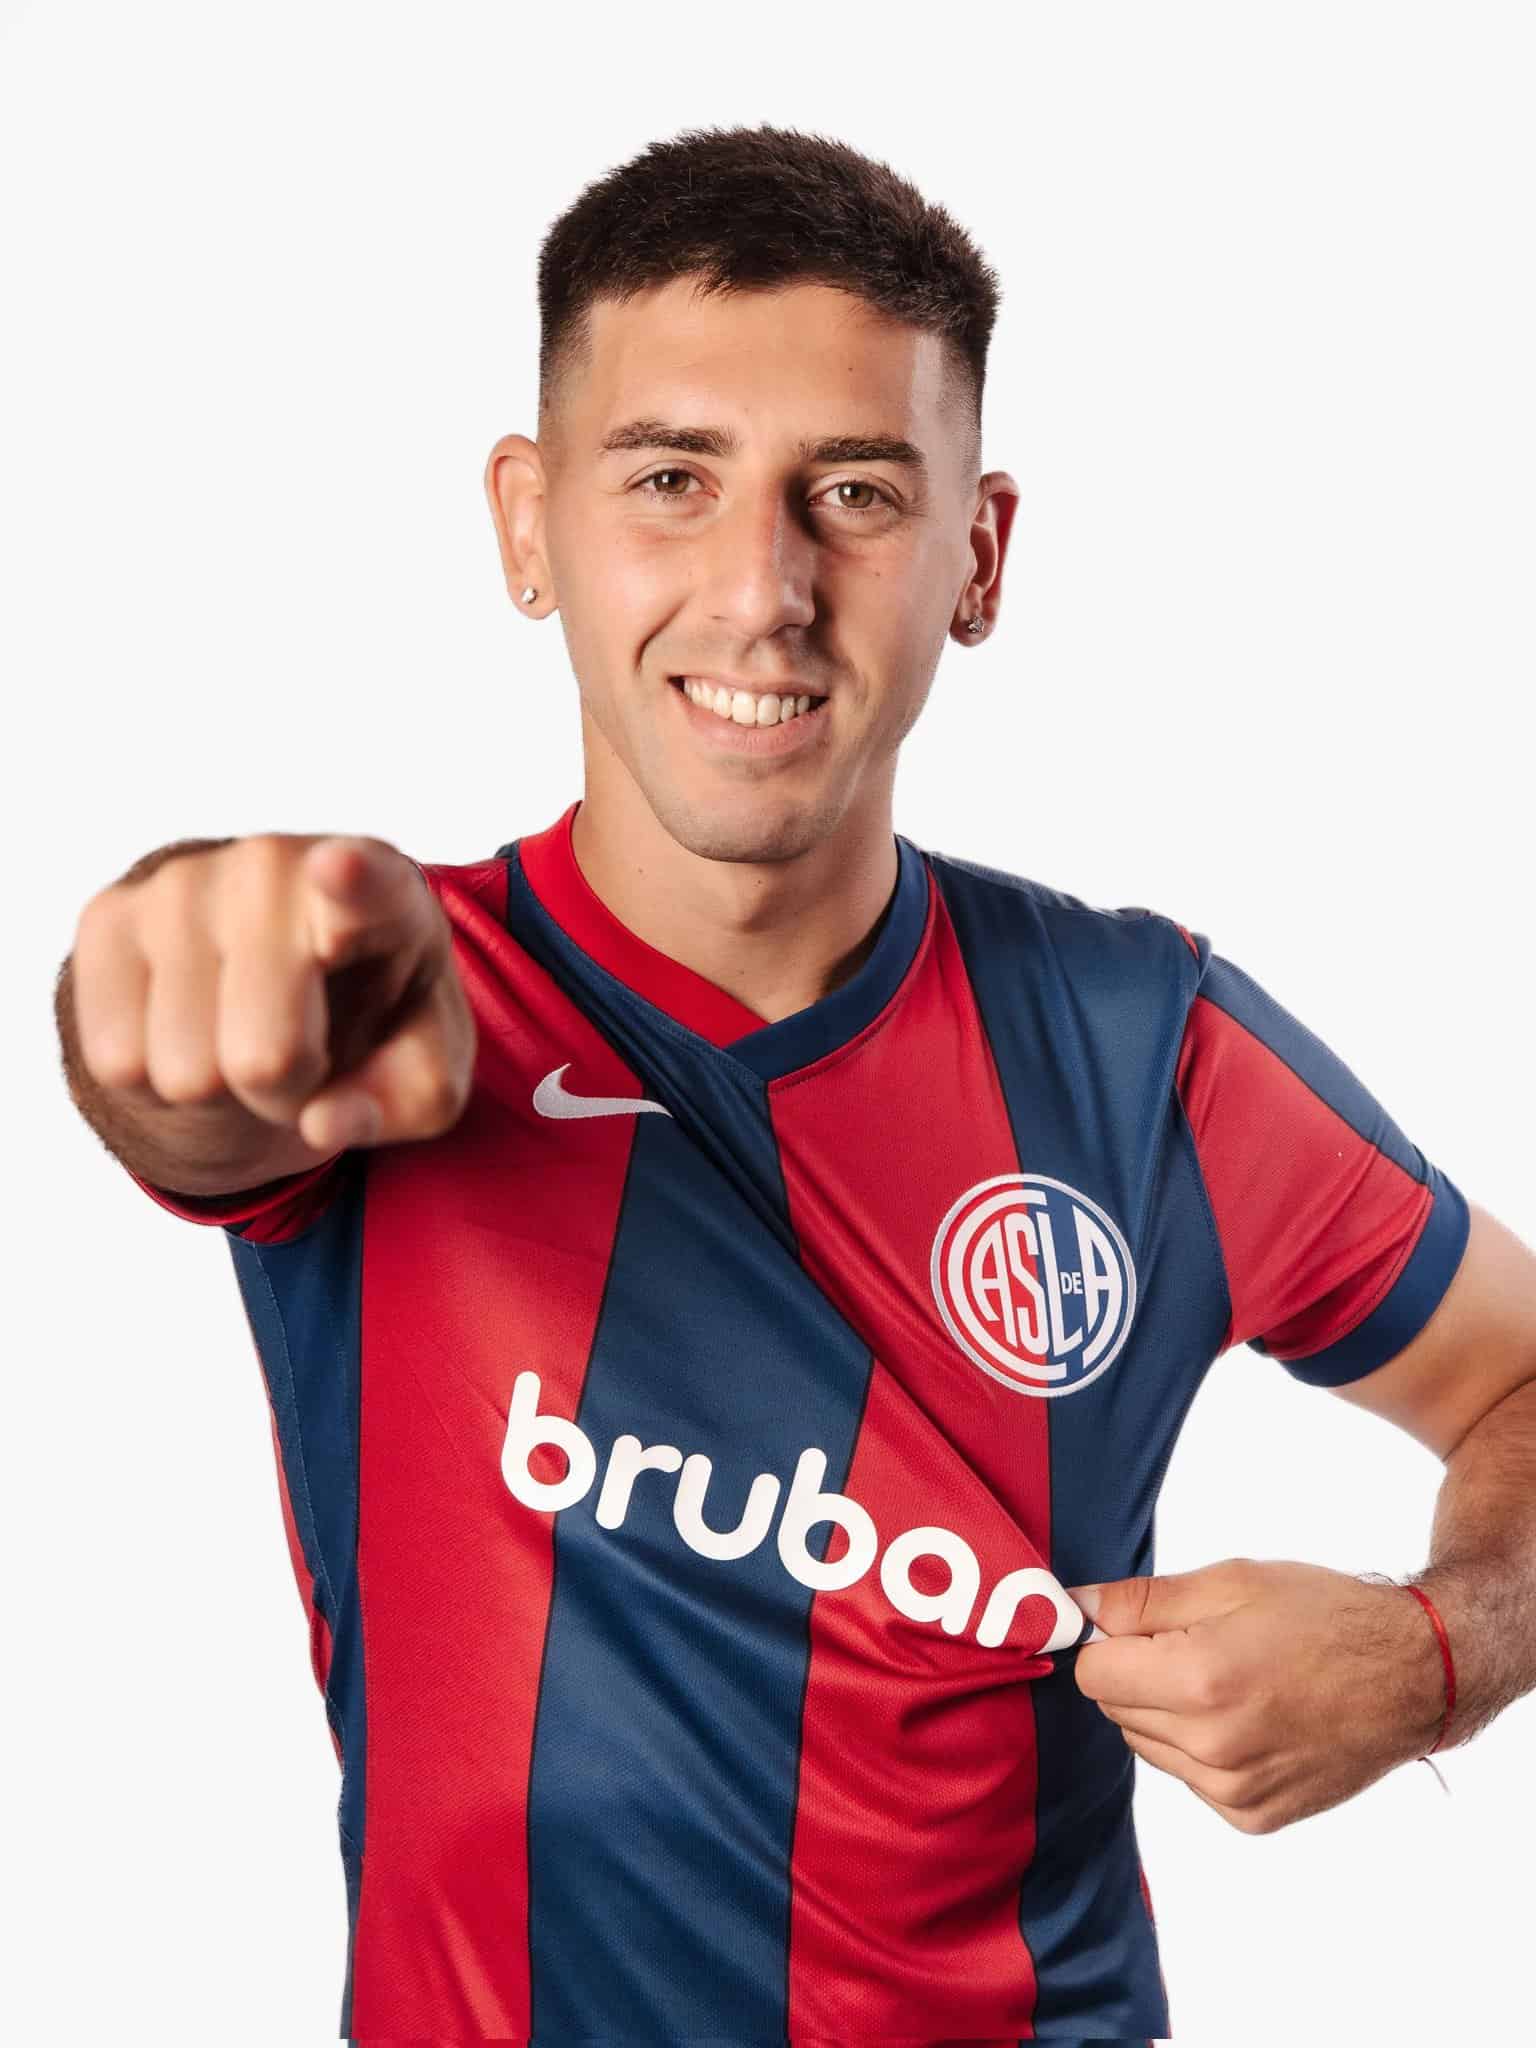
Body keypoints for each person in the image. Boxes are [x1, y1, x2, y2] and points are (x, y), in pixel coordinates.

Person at [52, 124, 1536, 2046]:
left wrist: (1440, 1653)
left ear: (978, 559)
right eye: (670, 479)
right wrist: (163, 983)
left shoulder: (1145, 1044)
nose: (762, 589)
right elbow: (194, 1082)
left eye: (852, 492)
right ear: (527, 526)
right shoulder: (395, 1008)